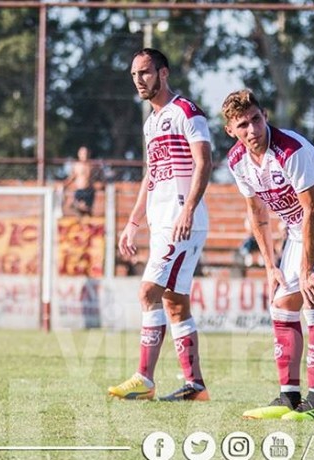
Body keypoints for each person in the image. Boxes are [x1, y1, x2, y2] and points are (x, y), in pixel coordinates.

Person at [221, 89, 314, 422]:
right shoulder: (237, 161)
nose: (252, 130)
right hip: (300, 229)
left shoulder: (289, 150)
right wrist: (271, 265)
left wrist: (307, 268)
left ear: (265, 116)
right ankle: (288, 396)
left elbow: (313, 209)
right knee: (282, 305)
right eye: (243, 125)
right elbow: (257, 212)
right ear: (230, 131)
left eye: (256, 119)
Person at [107, 48, 213, 401]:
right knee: (174, 303)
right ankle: (195, 386)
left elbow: (204, 162)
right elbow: (151, 175)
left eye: (146, 72)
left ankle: (144, 379)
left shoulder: (187, 112)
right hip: (161, 222)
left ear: (163, 73)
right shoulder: (151, 123)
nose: (139, 80)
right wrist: (133, 222)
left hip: (181, 222)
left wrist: (188, 210)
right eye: (134, 75)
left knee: (147, 292)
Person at [61, 145, 101, 217]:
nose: (84, 155)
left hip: (89, 191)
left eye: (86, 153)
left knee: (87, 211)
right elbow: (72, 177)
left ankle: (82, 212)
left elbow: (97, 177)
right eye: (82, 153)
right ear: (79, 154)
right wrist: (65, 184)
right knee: (80, 207)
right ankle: (76, 207)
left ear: (89, 154)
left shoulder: (92, 166)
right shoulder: (76, 165)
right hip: (80, 190)